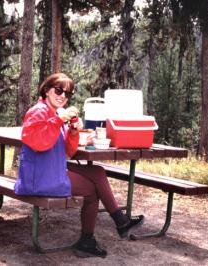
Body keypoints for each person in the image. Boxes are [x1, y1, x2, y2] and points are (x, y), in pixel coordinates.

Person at [14, 73, 144, 258]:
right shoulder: (37, 112)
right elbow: (39, 143)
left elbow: (68, 152)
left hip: (49, 167)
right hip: (38, 177)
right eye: (58, 90)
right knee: (92, 190)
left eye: (67, 94)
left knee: (97, 171)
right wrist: (60, 120)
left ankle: (118, 221)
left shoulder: (54, 113)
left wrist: (74, 132)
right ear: (46, 90)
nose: (63, 96)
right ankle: (91, 239)